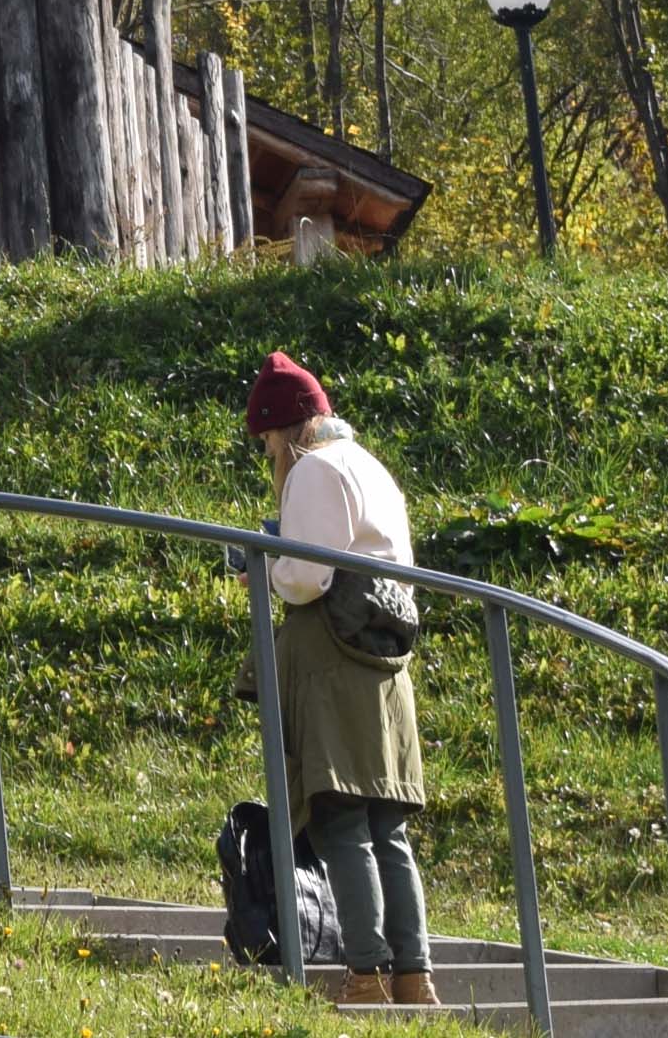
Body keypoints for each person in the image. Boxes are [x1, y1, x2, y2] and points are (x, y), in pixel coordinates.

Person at [248, 349, 436, 1006]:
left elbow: (306, 577)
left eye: (267, 439)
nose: (269, 451)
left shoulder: (312, 470)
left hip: (334, 662)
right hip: (385, 660)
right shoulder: (370, 467)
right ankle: (414, 975)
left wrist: (261, 569)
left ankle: (366, 975)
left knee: (340, 817)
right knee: (387, 824)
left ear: (286, 430)